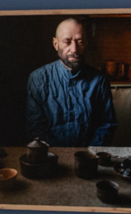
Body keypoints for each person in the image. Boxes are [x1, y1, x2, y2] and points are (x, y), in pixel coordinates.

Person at [26, 17, 116, 146]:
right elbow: (35, 128)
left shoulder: (99, 81)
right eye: (67, 42)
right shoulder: (38, 78)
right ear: (56, 44)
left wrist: (90, 153)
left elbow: (107, 124)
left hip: (89, 154)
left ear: (86, 44)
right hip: (50, 154)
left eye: (80, 42)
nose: (74, 49)